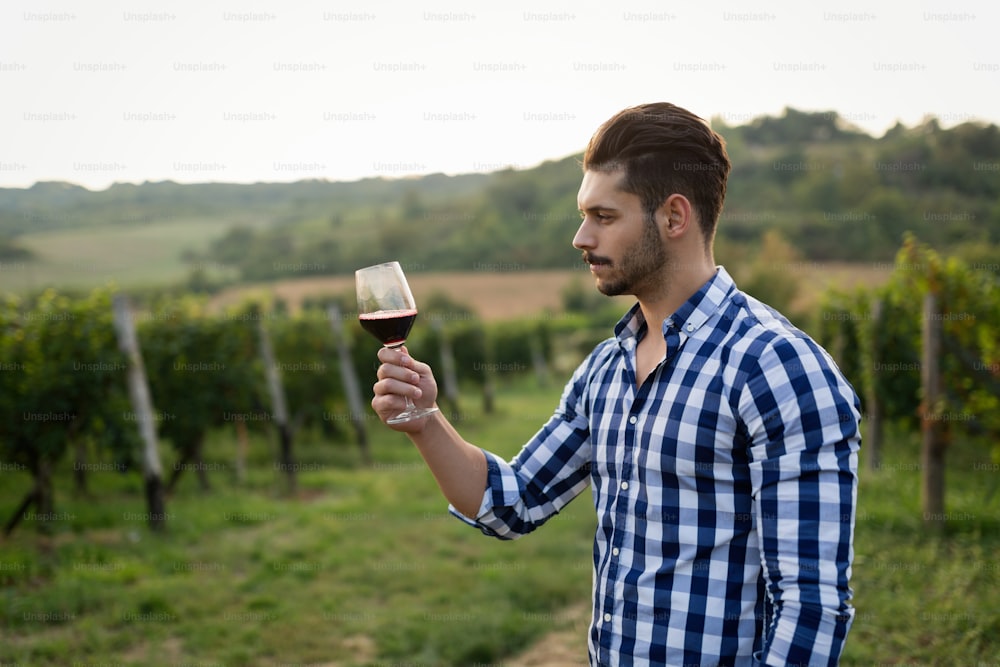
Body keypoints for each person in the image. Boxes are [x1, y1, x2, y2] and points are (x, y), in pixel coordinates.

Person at [371, 102, 861, 667]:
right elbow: (513, 502)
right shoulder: (606, 369)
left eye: (604, 217)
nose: (581, 237)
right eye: (584, 215)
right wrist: (424, 422)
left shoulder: (777, 368)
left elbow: (811, 608)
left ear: (674, 217)